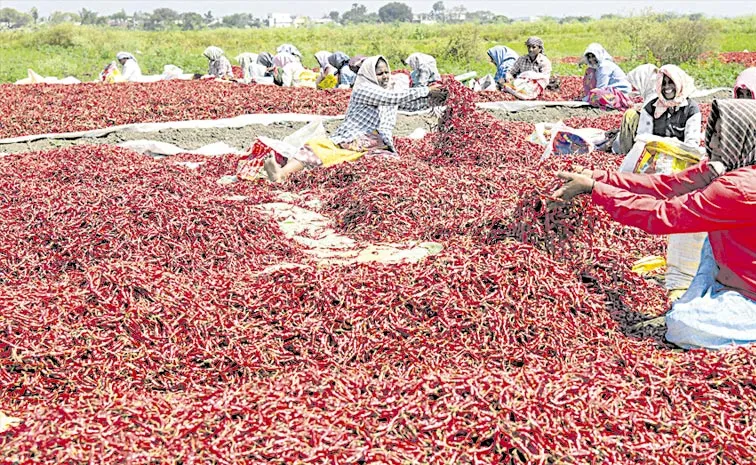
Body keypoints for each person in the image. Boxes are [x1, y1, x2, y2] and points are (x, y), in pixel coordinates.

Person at [553, 99, 756, 350]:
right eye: (711, 131)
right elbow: (666, 186)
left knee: (681, 325)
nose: (710, 142)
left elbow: (663, 215)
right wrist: (598, 177)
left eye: (720, 136)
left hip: (751, 292)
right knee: (707, 236)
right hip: (737, 270)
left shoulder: (739, 188)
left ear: (742, 138)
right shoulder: (723, 169)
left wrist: (596, 191)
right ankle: (717, 301)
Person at [264, 55, 448, 182]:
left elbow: (410, 105)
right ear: (369, 74)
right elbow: (393, 98)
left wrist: (437, 99)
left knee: (388, 167)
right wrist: (426, 90)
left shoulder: (389, 92)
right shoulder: (364, 89)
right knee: (315, 149)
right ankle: (281, 175)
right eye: (380, 73)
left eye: (386, 72)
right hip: (350, 140)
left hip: (376, 146)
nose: (384, 77)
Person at [615, 65, 700, 154]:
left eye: (671, 82)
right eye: (663, 83)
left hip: (681, 156)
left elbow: (692, 143)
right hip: (654, 155)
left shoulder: (691, 108)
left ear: (679, 83)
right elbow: (642, 139)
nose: (667, 87)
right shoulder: (651, 107)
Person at [581, 43, 633, 111]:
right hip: (609, 91)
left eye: (593, 56)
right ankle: (591, 97)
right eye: (589, 57)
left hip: (620, 93)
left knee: (597, 94)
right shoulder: (597, 67)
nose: (591, 59)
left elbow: (601, 87)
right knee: (589, 72)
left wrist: (586, 98)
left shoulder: (604, 66)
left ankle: (616, 102)